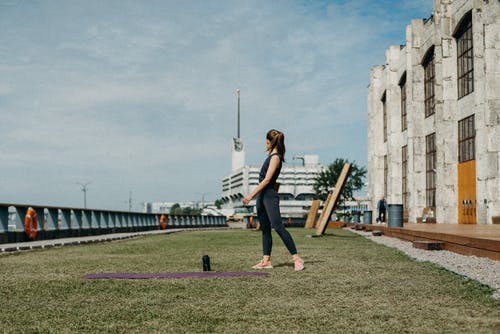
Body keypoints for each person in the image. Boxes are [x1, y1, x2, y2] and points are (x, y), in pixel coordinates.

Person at [243, 129, 304, 271]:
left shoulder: (275, 157)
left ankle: (297, 258)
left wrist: (250, 195)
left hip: (269, 195)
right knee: (265, 228)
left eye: (266, 141)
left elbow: (268, 179)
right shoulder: (271, 156)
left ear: (270, 142)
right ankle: (266, 261)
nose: (265, 144)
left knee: (278, 226)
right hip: (262, 196)